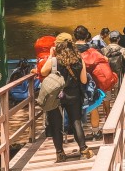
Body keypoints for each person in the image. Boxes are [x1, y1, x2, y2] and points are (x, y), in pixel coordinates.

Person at [40, 33, 93, 162]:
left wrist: (52, 56)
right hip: (74, 96)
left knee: (55, 125)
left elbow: (42, 72)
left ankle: (60, 154)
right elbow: (84, 80)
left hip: (56, 97)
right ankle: (83, 149)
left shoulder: (54, 61)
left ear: (57, 46)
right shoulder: (79, 60)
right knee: (76, 122)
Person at [101, 30, 125, 114]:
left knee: (106, 96)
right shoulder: (122, 50)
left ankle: (107, 114)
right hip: (118, 75)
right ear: (118, 39)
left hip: (106, 76)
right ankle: (117, 113)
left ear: (109, 39)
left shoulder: (104, 50)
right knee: (117, 94)